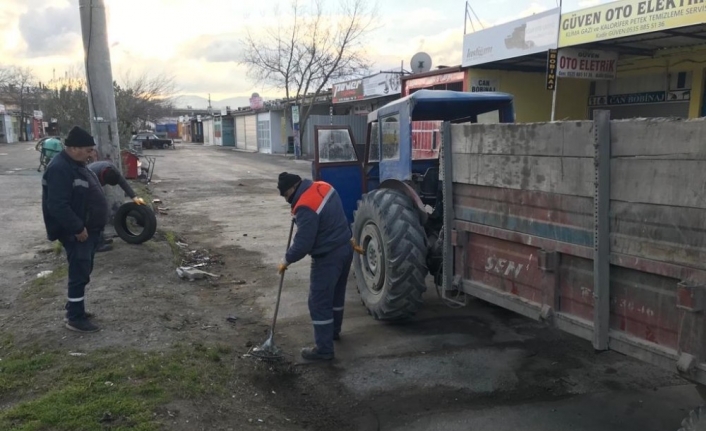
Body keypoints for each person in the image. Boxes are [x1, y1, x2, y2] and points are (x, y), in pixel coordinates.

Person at [276, 172, 363, 361]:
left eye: (285, 195)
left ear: (292, 189)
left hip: (328, 257)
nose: (286, 200)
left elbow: (303, 244)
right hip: (345, 249)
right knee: (335, 296)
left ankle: (324, 349)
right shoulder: (324, 186)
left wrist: (286, 260)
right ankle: (333, 332)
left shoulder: (305, 206)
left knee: (318, 301)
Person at [42, 126, 106, 333]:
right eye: (88, 150)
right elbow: (57, 205)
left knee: (83, 271)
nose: (91, 154)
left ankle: (75, 307)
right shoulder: (60, 168)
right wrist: (78, 228)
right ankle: (75, 318)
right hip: (76, 232)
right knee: (79, 273)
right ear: (75, 148)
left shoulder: (76, 164)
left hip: (87, 230)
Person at [87, 155, 146, 252]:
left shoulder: (112, 169)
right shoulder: (91, 174)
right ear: (104, 179)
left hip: (94, 186)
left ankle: (100, 239)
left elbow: (123, 183)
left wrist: (134, 197)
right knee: (95, 215)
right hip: (84, 190)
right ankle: (97, 244)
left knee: (102, 212)